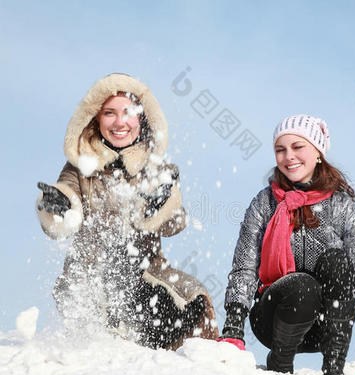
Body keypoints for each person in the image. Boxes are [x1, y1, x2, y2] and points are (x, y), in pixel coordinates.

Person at [36, 73, 218, 349]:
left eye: (128, 112)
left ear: (141, 118)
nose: (120, 122)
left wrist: (160, 205)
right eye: (109, 113)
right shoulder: (81, 166)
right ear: (96, 118)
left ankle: (172, 355)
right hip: (89, 278)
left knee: (191, 300)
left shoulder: (157, 167)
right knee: (100, 320)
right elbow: (68, 193)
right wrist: (59, 205)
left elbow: (176, 223)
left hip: (144, 277)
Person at [218, 114, 355, 375]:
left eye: (297, 147)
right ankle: (280, 365)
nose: (288, 156)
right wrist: (233, 328)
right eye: (280, 150)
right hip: (273, 316)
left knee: (338, 262)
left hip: (323, 325)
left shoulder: (340, 206)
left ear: (317, 152)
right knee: (303, 285)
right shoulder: (265, 203)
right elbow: (245, 266)